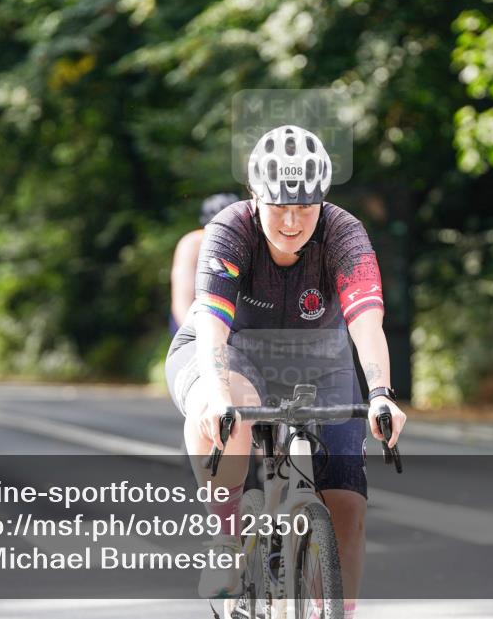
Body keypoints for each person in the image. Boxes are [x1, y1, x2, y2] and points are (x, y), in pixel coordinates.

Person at [165, 125, 407, 614]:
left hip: (318, 359)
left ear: (324, 199)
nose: (293, 221)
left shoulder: (344, 232)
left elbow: (365, 318)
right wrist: (215, 394)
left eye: (306, 205)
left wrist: (380, 391)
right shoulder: (229, 229)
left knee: (348, 507)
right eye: (279, 205)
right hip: (230, 349)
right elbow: (212, 324)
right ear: (255, 197)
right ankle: (226, 537)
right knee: (228, 412)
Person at [170, 193, 240, 334]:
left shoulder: (247, 239)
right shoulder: (192, 243)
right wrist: (191, 334)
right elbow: (182, 293)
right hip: (196, 314)